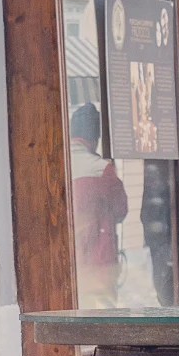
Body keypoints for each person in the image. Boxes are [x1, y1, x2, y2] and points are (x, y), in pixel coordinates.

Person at [69, 101, 129, 309]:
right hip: (100, 261)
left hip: (72, 261)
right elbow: (121, 210)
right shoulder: (102, 169)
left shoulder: (59, 167)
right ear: (95, 138)